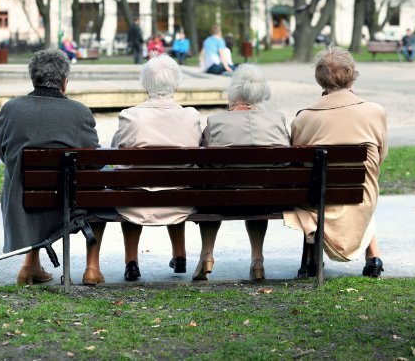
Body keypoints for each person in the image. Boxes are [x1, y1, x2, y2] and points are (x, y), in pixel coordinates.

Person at [0, 48, 107, 286]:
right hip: (69, 205)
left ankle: (30, 265)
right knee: (97, 187)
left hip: (24, 201)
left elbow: (4, 155)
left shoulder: (11, 109)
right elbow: (95, 162)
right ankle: (92, 268)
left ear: (32, 78)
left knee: (23, 181)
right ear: (64, 83)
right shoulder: (79, 112)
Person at [284, 46, 387, 278]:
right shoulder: (375, 112)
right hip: (361, 198)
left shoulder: (304, 118)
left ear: (319, 79)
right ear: (352, 74)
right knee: (358, 185)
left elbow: (298, 166)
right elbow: (380, 157)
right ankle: (374, 256)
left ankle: (312, 258)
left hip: (318, 202)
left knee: (315, 185)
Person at [111, 54, 202, 281]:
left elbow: (115, 152)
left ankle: (131, 262)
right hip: (178, 201)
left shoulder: (130, 116)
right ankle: (179, 255)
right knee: (176, 181)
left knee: (132, 186)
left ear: (145, 84)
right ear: (176, 83)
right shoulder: (190, 116)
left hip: (135, 202)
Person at [196, 64, 290, 281]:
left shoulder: (216, 121)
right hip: (268, 201)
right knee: (258, 187)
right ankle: (257, 260)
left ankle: (207, 254)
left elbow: (205, 165)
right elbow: (286, 162)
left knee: (211, 190)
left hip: (223, 200)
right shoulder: (276, 120)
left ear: (235, 90)